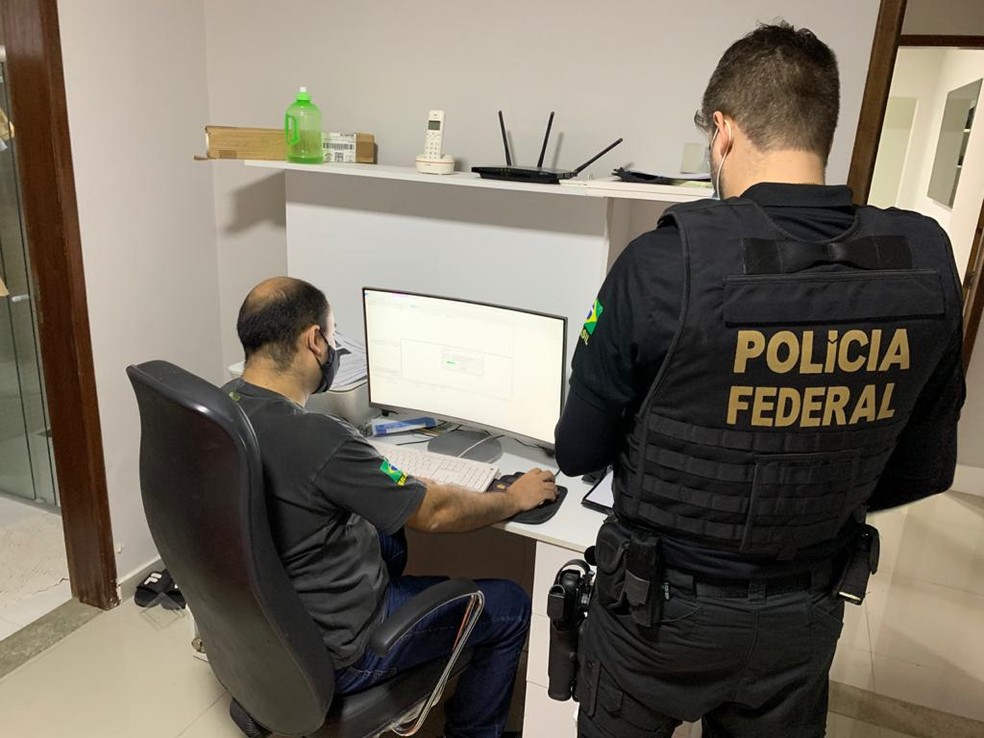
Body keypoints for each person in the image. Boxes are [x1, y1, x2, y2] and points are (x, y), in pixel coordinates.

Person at [554, 22, 965, 738]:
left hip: (656, 613)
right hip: (803, 612)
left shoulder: (661, 264)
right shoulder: (924, 260)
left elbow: (577, 451)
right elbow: (922, 469)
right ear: (823, 130)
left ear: (723, 132)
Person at [224, 276, 557, 738]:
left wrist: (389, 482)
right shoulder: (319, 438)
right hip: (343, 649)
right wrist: (511, 498)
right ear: (314, 340)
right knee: (511, 605)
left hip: (267, 632)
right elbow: (435, 513)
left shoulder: (220, 409)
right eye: (333, 336)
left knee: (389, 537)